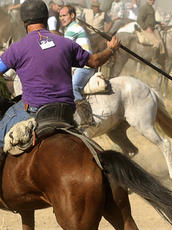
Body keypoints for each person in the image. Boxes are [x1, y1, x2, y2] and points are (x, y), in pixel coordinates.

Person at [0, 0, 120, 148]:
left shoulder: (17, 48)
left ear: (24, 22)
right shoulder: (65, 43)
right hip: (66, 112)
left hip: (35, 112)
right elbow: (95, 61)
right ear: (46, 19)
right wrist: (111, 49)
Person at [59, 5, 96, 108]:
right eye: (60, 16)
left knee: (72, 87)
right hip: (80, 66)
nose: (62, 18)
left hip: (85, 67)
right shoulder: (71, 28)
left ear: (72, 15)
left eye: (64, 15)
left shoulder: (72, 29)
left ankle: (86, 119)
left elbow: (63, 51)